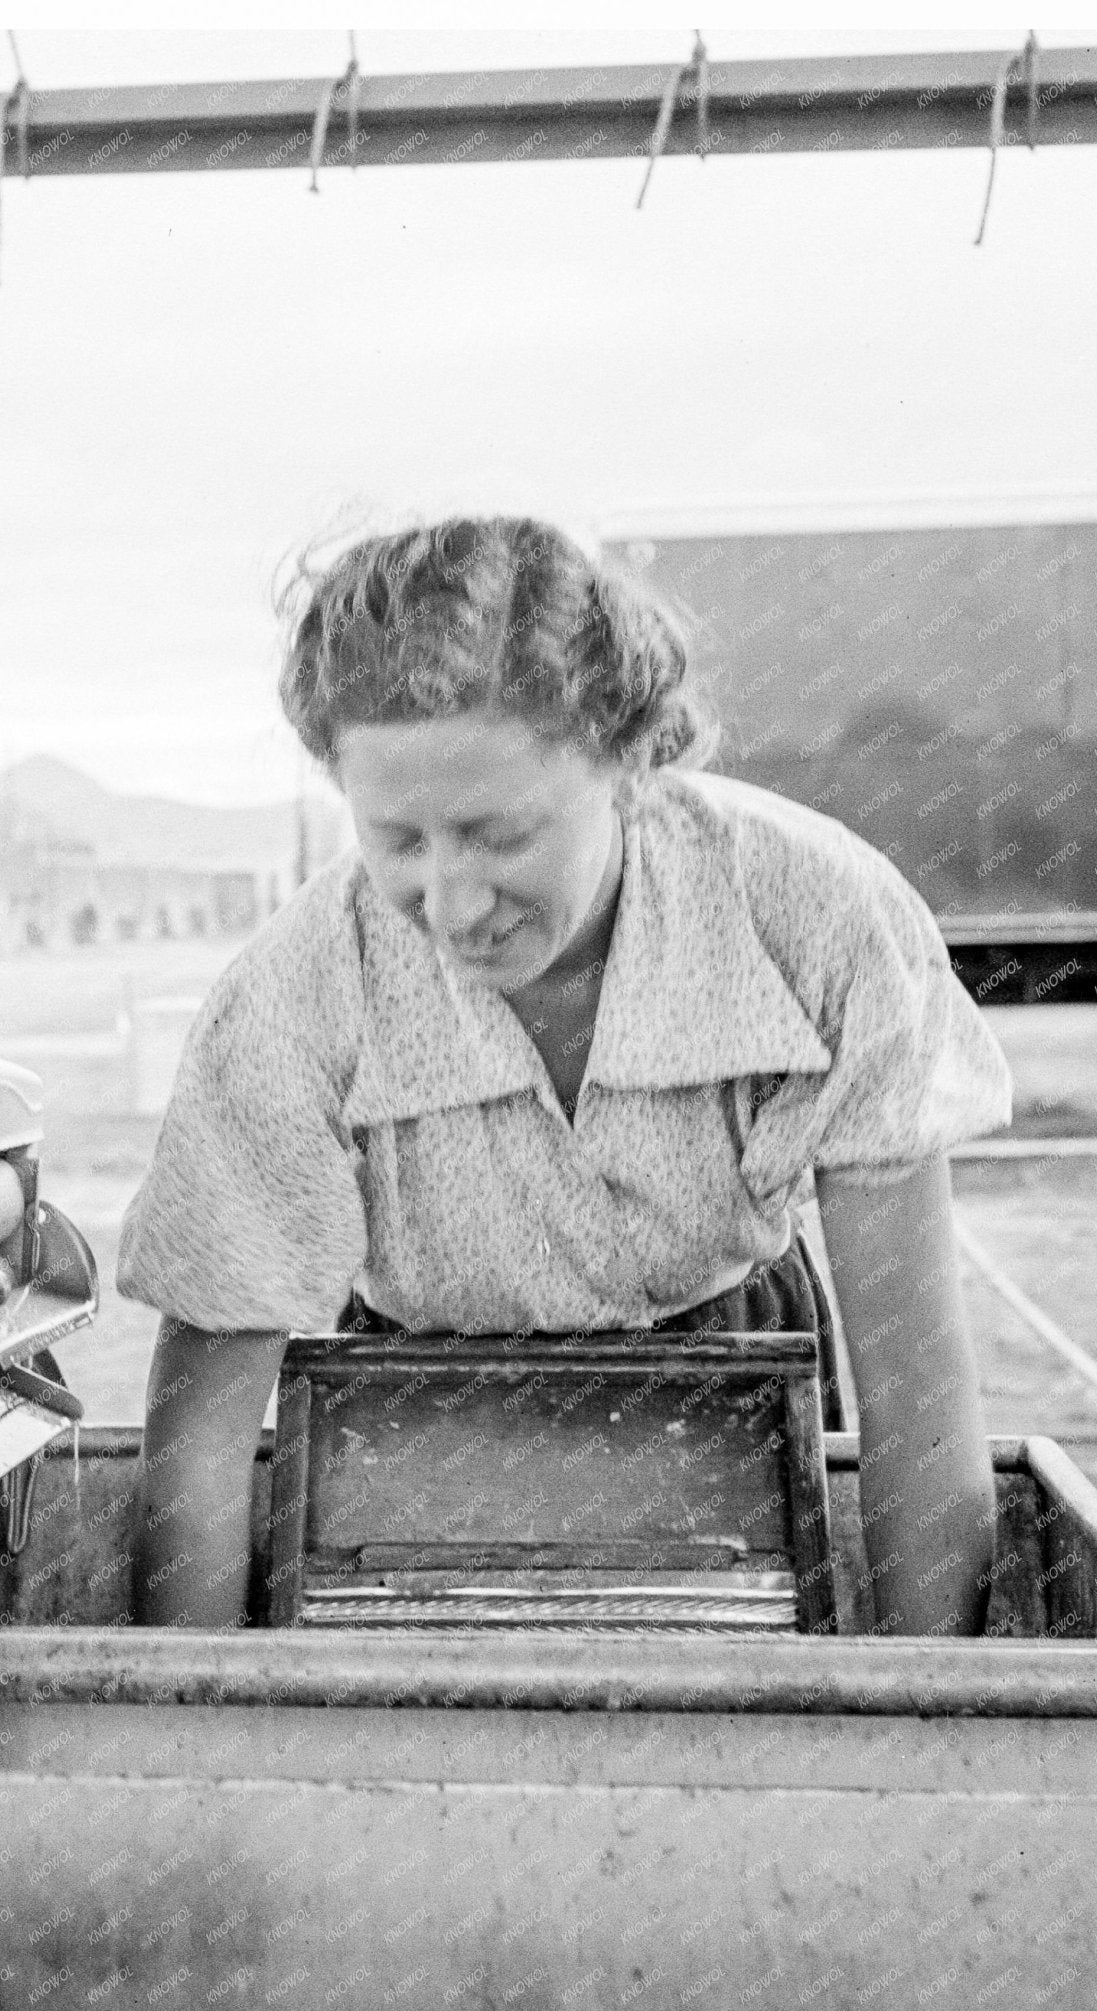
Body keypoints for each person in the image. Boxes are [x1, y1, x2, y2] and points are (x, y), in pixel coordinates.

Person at [118, 518, 1013, 1636]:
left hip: (735, 1373)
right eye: (397, 840)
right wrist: (194, 1756)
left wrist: (920, 1739)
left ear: (629, 761)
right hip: (410, 1420)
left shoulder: (817, 916)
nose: (448, 904)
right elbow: (197, 1462)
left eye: (498, 834)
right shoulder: (293, 995)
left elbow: (920, 1410)